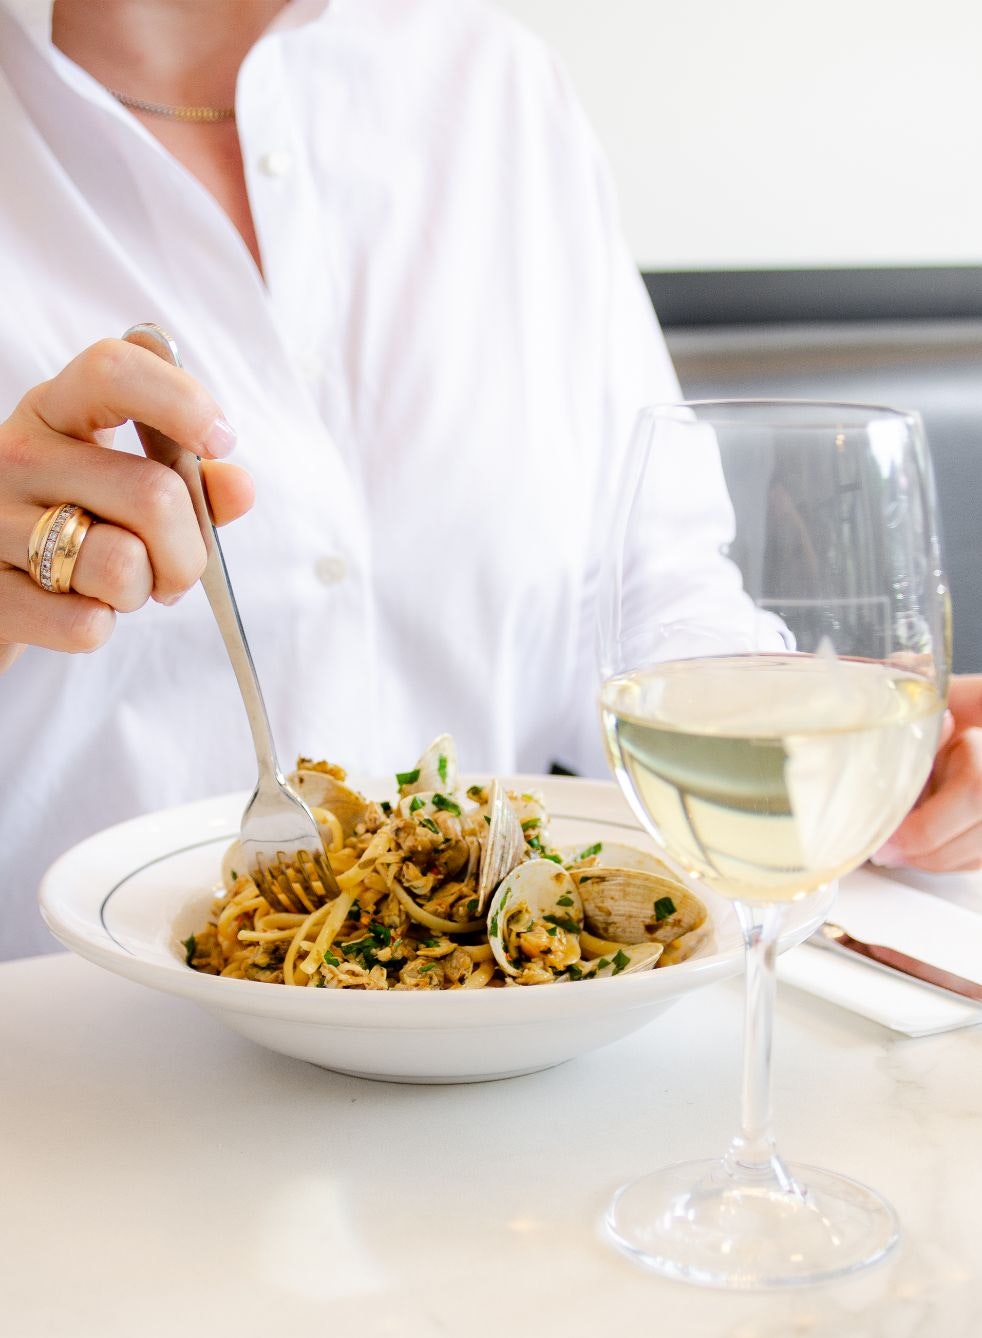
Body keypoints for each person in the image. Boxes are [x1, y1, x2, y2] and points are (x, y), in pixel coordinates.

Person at [0, 0, 976, 962]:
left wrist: (845, 769)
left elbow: (645, 594)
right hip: (68, 1064)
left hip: (506, 1053)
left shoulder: (494, 90)